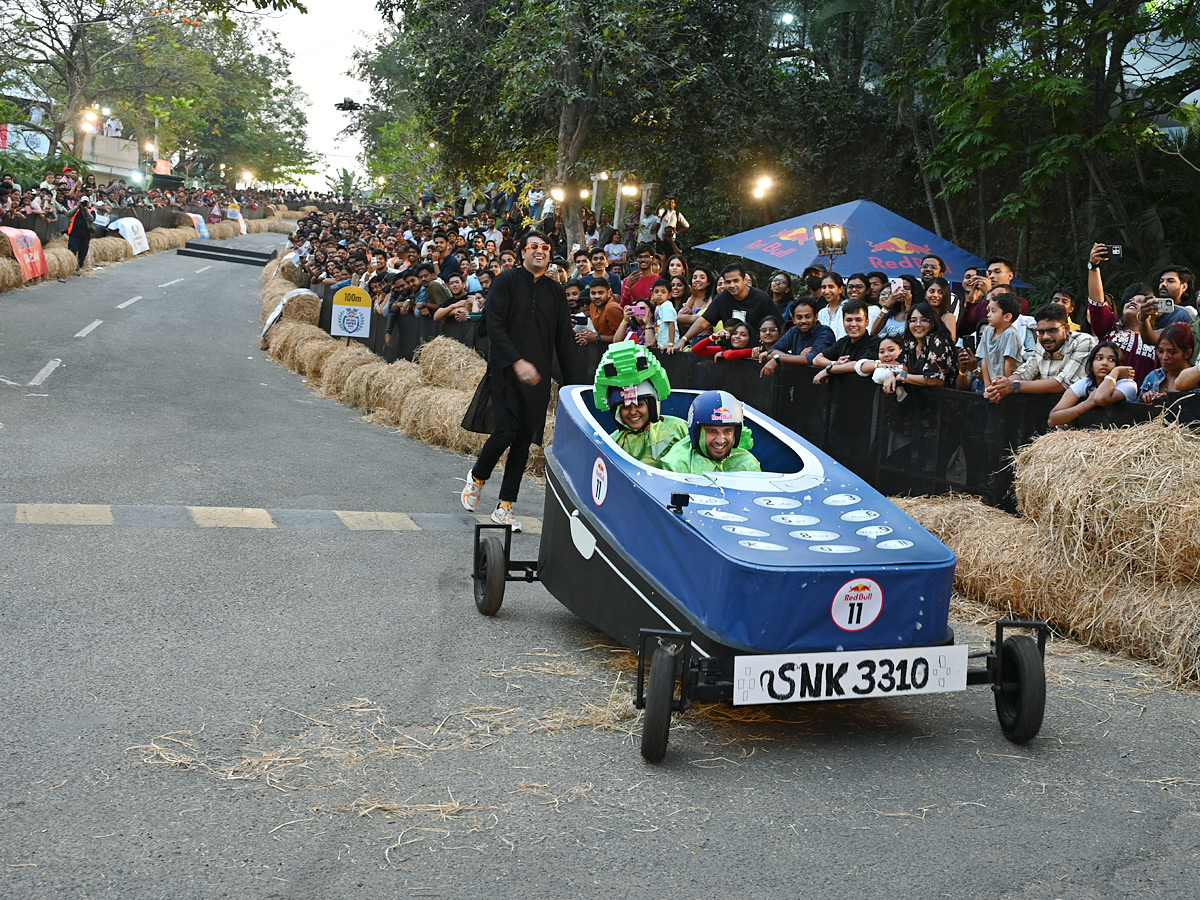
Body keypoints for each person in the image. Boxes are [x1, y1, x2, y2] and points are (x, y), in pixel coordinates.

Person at [460, 231, 584, 531]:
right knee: (504, 432)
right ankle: (478, 476)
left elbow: (564, 340)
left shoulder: (556, 291)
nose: (539, 251)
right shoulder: (506, 282)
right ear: (522, 252)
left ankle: (505, 506)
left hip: (537, 379)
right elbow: (494, 326)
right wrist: (516, 361)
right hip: (504, 370)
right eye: (533, 247)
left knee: (523, 441)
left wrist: (574, 385)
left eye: (545, 248)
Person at [592, 344, 687, 468]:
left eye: (639, 405)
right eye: (626, 407)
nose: (633, 412)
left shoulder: (677, 428)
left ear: (651, 406)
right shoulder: (611, 443)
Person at [985, 303, 1097, 402]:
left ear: (1066, 329)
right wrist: (998, 388)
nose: (1046, 336)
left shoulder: (1083, 341)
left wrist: (1013, 386)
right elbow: (1026, 371)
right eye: (1041, 332)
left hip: (1080, 412)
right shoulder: (1042, 342)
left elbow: (1062, 384)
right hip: (1046, 408)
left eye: (1052, 330)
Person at [669, 263, 776, 350]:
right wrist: (683, 339)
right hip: (728, 351)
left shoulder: (762, 298)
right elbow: (703, 321)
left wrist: (771, 350)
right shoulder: (722, 298)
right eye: (728, 282)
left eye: (736, 281)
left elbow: (778, 325)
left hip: (755, 353)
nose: (732, 285)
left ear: (744, 280)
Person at [660, 390, 761, 474]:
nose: (720, 440)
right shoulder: (677, 464)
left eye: (727, 431)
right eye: (712, 431)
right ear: (697, 433)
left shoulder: (748, 463)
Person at [1047, 342, 1138, 426]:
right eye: (1099, 358)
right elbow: (1052, 420)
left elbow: (1100, 398)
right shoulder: (1086, 383)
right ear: (1091, 364)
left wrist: (1115, 372)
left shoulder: (1127, 384)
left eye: (1111, 359)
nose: (1104, 363)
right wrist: (1088, 403)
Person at [759, 297, 836, 376]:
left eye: (807, 316)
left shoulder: (825, 332)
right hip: (798, 383)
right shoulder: (794, 330)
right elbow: (772, 350)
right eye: (799, 317)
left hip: (821, 384)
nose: (803, 321)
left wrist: (778, 358)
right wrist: (797, 357)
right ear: (794, 320)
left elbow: (813, 359)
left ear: (816, 317)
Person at [965, 292, 1022, 394]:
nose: (988, 314)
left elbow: (1009, 364)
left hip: (1007, 386)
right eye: (989, 310)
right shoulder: (987, 330)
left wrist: (1004, 387)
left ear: (1007, 317)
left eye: (993, 311)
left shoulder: (1010, 334)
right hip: (993, 385)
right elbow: (984, 359)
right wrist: (987, 386)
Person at [811, 301, 881, 384]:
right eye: (849, 320)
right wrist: (834, 363)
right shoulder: (843, 341)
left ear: (867, 322)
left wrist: (828, 370)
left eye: (858, 320)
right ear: (843, 322)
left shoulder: (875, 342)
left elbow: (859, 365)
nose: (853, 324)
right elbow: (816, 359)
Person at [1140, 323, 1200, 403]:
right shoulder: (1153, 377)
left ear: (1187, 353)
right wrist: (1145, 397)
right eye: (1160, 351)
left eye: (1172, 352)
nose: (1164, 357)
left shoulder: (1196, 379)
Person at [576, 281, 624, 346]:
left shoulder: (611, 308)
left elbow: (622, 337)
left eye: (600, 293)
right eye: (593, 293)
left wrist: (597, 337)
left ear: (609, 292)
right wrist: (587, 336)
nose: (597, 296)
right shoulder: (593, 305)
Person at [66, 198, 94, 273]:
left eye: (86, 202)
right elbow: (68, 214)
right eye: (82, 202)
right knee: (72, 250)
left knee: (83, 252)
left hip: (85, 235)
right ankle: (71, 267)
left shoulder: (91, 211)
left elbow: (92, 219)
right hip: (74, 234)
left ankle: (78, 267)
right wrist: (77, 207)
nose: (84, 204)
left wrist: (85, 210)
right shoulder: (76, 210)